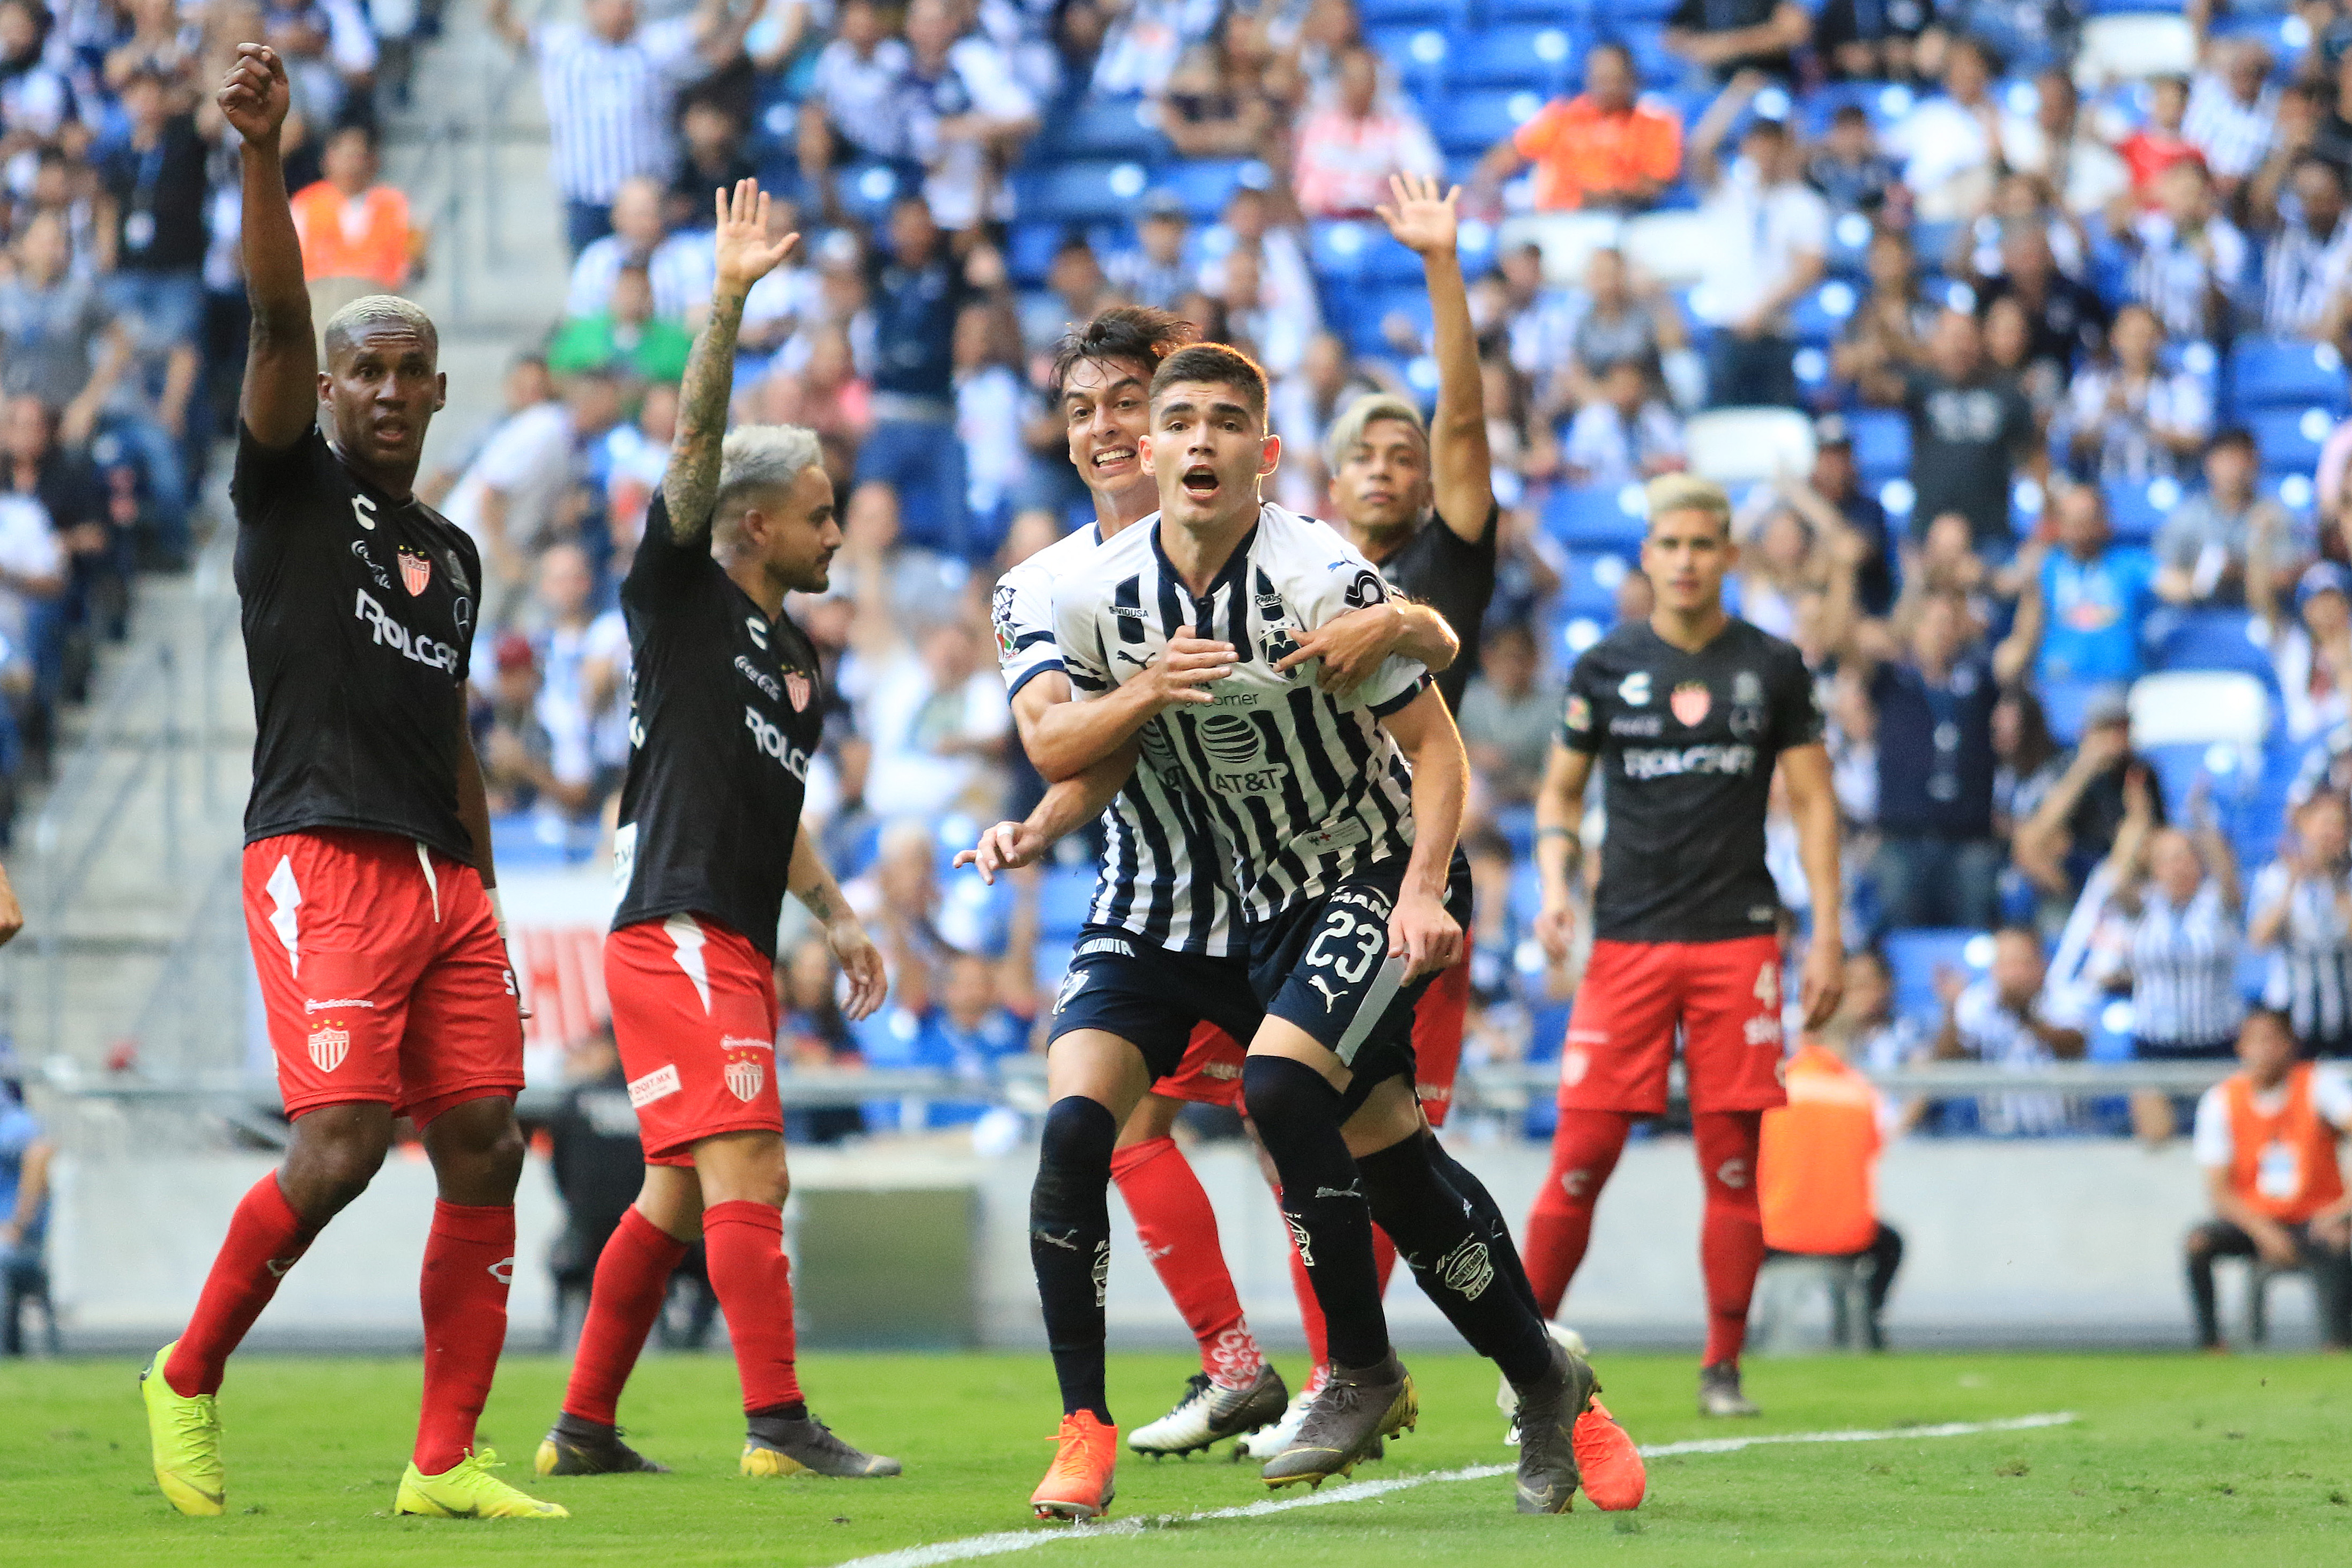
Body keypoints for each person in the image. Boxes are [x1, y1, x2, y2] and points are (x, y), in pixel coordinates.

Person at [971, 341, 1642, 1517]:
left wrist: (1424, 889)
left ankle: (1364, 1367)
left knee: (1289, 1097)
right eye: (1169, 419)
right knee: (1330, 1152)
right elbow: (1079, 745)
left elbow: (1440, 741)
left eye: (1218, 421)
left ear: (1263, 455)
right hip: (1224, 903)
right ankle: (1541, 1374)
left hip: (1372, 872)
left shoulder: (1316, 569)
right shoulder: (1081, 592)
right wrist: (1038, 821)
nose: (1185, 439)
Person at [143, 43, 563, 1521]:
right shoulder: (285, 482)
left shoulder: (449, 555)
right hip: (319, 855)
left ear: (440, 389)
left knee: (486, 1139)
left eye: (406, 369)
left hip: (444, 878)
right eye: (360, 367)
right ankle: (186, 1373)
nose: (385, 388)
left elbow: (451, 731)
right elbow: (270, 306)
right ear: (326, 387)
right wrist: (263, 154)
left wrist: (490, 893)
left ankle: (444, 1456)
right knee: (336, 1151)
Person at [978, 302, 1449, 1472]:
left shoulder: (1282, 548)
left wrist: (1404, 616)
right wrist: (1042, 819)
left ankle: (1486, 1346)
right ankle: (1184, 1385)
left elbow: (1418, 654)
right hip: (1152, 903)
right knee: (1094, 1124)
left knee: (1358, 1143)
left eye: (1128, 405)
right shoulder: (1046, 587)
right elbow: (1071, 743)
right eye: (1083, 411)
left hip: (1300, 893)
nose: (1107, 430)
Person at [536, 182, 897, 1482]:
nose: (831, 531)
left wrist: (839, 910)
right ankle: (775, 1422)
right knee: (752, 1164)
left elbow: (779, 806)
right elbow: (692, 445)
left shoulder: (799, 661)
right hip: (676, 923)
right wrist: (729, 299)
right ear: (751, 525)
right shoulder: (680, 594)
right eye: (815, 514)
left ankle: (581, 1424)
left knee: (674, 1189)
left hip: (731, 930)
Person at [1523, 471, 1847, 1420]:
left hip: (1736, 944)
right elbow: (1557, 795)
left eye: (1703, 545)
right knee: (1578, 1158)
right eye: (1670, 545)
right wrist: (1552, 884)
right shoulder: (1604, 666)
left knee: (1733, 1164)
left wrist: (1827, 935)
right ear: (1646, 558)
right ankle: (1526, 1361)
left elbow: (1817, 804)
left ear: (1727, 557)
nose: (1686, 561)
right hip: (1624, 943)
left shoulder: (1773, 666)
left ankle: (1721, 1368)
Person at [2184, 1009, 2352, 1351]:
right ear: (2240, 1047)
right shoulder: (2220, 1101)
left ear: (2291, 1046)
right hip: (2256, 1219)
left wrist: (2344, 1206)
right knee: (2198, 1243)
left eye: (2273, 1039)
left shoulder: (2319, 1084)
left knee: (2339, 1240)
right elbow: (2220, 1192)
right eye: (2255, 1040)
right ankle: (2212, 1344)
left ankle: (2339, 1343)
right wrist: (2263, 1231)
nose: (2264, 1050)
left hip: (2315, 1217)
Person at [1863, 588, 2002, 931]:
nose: (1941, 631)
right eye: (1933, 622)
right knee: (1899, 937)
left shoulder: (1978, 679)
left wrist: (2030, 589)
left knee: (1975, 933)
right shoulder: (1892, 680)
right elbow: (1855, 639)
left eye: (1949, 623)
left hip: (1968, 837)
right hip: (1903, 836)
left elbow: (2017, 658)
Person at [1758, 1029, 1904, 1349]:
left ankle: (1736, 1336)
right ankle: (1869, 1318)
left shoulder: (1772, 1088)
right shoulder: (1859, 1091)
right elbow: (1875, 1147)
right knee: (1893, 1243)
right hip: (1849, 1237)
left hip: (1778, 1235)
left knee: (1732, 1242)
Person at [1688, 81, 1829, 409]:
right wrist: (1735, 94)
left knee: (1779, 430)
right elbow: (1698, 149)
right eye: (1757, 143)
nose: (1765, 152)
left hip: (1776, 334)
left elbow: (1810, 268)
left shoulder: (1803, 203)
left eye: (1773, 144)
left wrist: (1763, 309)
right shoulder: (1726, 193)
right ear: (1746, 147)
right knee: (1721, 429)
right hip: (1727, 331)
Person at [1867, 309, 2038, 553]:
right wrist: (1875, 355)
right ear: (1936, 343)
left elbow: (2033, 454)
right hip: (1929, 531)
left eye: (1965, 338)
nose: (1959, 347)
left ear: (1980, 342)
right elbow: (1879, 392)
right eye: (1951, 338)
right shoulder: (1922, 385)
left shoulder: (2008, 391)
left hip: (1991, 534)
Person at [1468, 41, 1682, 215]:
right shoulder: (1563, 116)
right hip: (1561, 221)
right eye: (1599, 78)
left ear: (1632, 79)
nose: (1605, 87)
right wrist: (1488, 185)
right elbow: (1507, 157)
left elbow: (1656, 185)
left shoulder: (1656, 122)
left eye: (1613, 79)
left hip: (1630, 219)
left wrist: (1602, 194)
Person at [1933, 926, 2088, 1136]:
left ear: (2041, 964)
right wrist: (1952, 1010)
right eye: (2005, 964)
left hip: (2063, 1133)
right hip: (1997, 1135)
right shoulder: (1977, 1001)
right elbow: (1946, 1057)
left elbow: (2074, 1043)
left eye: (2022, 963)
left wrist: (2022, 1014)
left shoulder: (2064, 997)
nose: (2014, 973)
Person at [288, 122, 425, 329]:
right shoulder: (305, 204)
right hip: (321, 303)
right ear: (327, 160)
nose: (351, 164)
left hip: (379, 305)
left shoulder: (395, 204)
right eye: (344, 155)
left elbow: (415, 264)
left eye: (357, 156)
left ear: (372, 161)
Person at [2250, 791, 2352, 1059]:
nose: (2331, 833)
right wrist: (2292, 884)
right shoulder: (2276, 876)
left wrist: (2335, 880)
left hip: (2346, 1021)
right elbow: (2259, 940)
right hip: (2293, 1026)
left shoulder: (2348, 881)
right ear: (2304, 825)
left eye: (2339, 825)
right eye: (2325, 823)